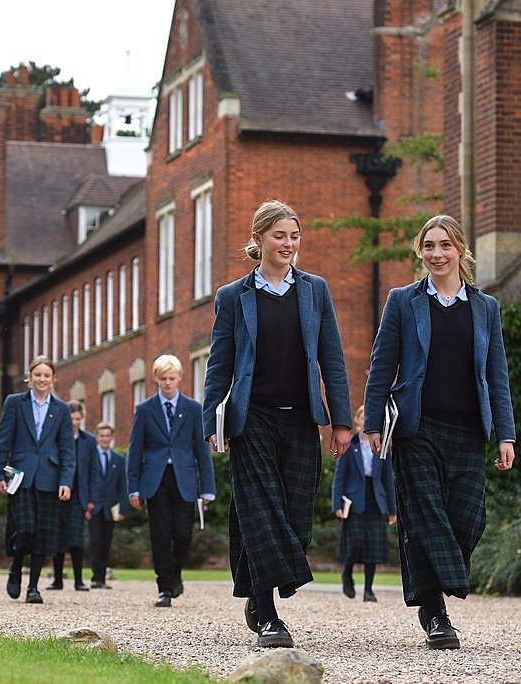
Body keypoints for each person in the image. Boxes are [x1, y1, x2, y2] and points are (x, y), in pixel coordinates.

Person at [202, 198, 352, 649]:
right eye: (279, 235)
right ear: (258, 239)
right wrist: (213, 418)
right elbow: (219, 363)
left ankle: (255, 591)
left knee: (294, 516)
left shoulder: (315, 290)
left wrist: (341, 421)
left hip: (303, 418)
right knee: (261, 509)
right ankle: (268, 614)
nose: (288, 243)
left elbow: (333, 359)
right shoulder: (233, 297)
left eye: (294, 236)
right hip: (253, 420)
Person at [363, 214, 516, 650]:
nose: (436, 253)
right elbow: (381, 364)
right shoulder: (403, 301)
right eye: (428, 246)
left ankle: (444, 576)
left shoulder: (485, 308)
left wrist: (506, 434)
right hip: (417, 427)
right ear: (420, 251)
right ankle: (436, 614)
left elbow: (497, 375)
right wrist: (372, 421)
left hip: (469, 429)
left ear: (460, 250)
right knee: (426, 514)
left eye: (445, 245)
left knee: (469, 518)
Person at [127, 354, 216, 608]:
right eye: (163, 379)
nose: (168, 383)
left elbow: (202, 451)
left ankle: (175, 574)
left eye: (172, 378)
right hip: (155, 480)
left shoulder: (192, 409)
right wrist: (133, 487)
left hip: (185, 479)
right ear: (156, 379)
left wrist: (207, 489)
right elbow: (135, 451)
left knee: (182, 533)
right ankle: (164, 587)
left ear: (179, 378)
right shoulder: (144, 410)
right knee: (160, 534)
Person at [0, 356, 75, 604]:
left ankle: (33, 587)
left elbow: (67, 449)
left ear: (53, 379)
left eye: (46, 375)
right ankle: (16, 566)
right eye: (37, 374)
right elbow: (3, 440)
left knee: (43, 534)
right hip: (21, 477)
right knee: (25, 528)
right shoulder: (15, 403)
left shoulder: (61, 410)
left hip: (49, 478)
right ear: (30, 377)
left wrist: (66, 480)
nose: (42, 379)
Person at [331, 406, 397, 602]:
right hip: (354, 501)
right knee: (354, 543)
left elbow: (388, 479)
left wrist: (393, 509)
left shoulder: (382, 446)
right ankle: (347, 574)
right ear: (358, 420)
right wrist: (337, 504)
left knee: (373, 547)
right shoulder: (349, 445)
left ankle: (369, 590)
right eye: (362, 417)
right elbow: (339, 477)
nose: (366, 421)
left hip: (376, 500)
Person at [46, 400, 94, 591]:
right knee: (57, 537)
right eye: (71, 418)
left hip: (78, 496)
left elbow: (93, 471)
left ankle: (78, 580)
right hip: (57, 493)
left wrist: (92, 499)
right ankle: (57, 579)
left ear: (81, 419)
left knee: (76, 538)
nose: (74, 422)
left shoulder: (88, 441)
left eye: (77, 418)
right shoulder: (55, 439)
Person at [86, 421, 126, 589]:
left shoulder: (119, 459)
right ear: (97, 437)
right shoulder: (89, 457)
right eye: (101, 436)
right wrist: (85, 505)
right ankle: (95, 577)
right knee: (95, 542)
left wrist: (123, 509)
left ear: (112, 437)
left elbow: (123, 486)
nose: (104, 439)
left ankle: (102, 578)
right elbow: (85, 482)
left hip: (111, 508)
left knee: (106, 543)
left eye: (107, 436)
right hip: (93, 507)